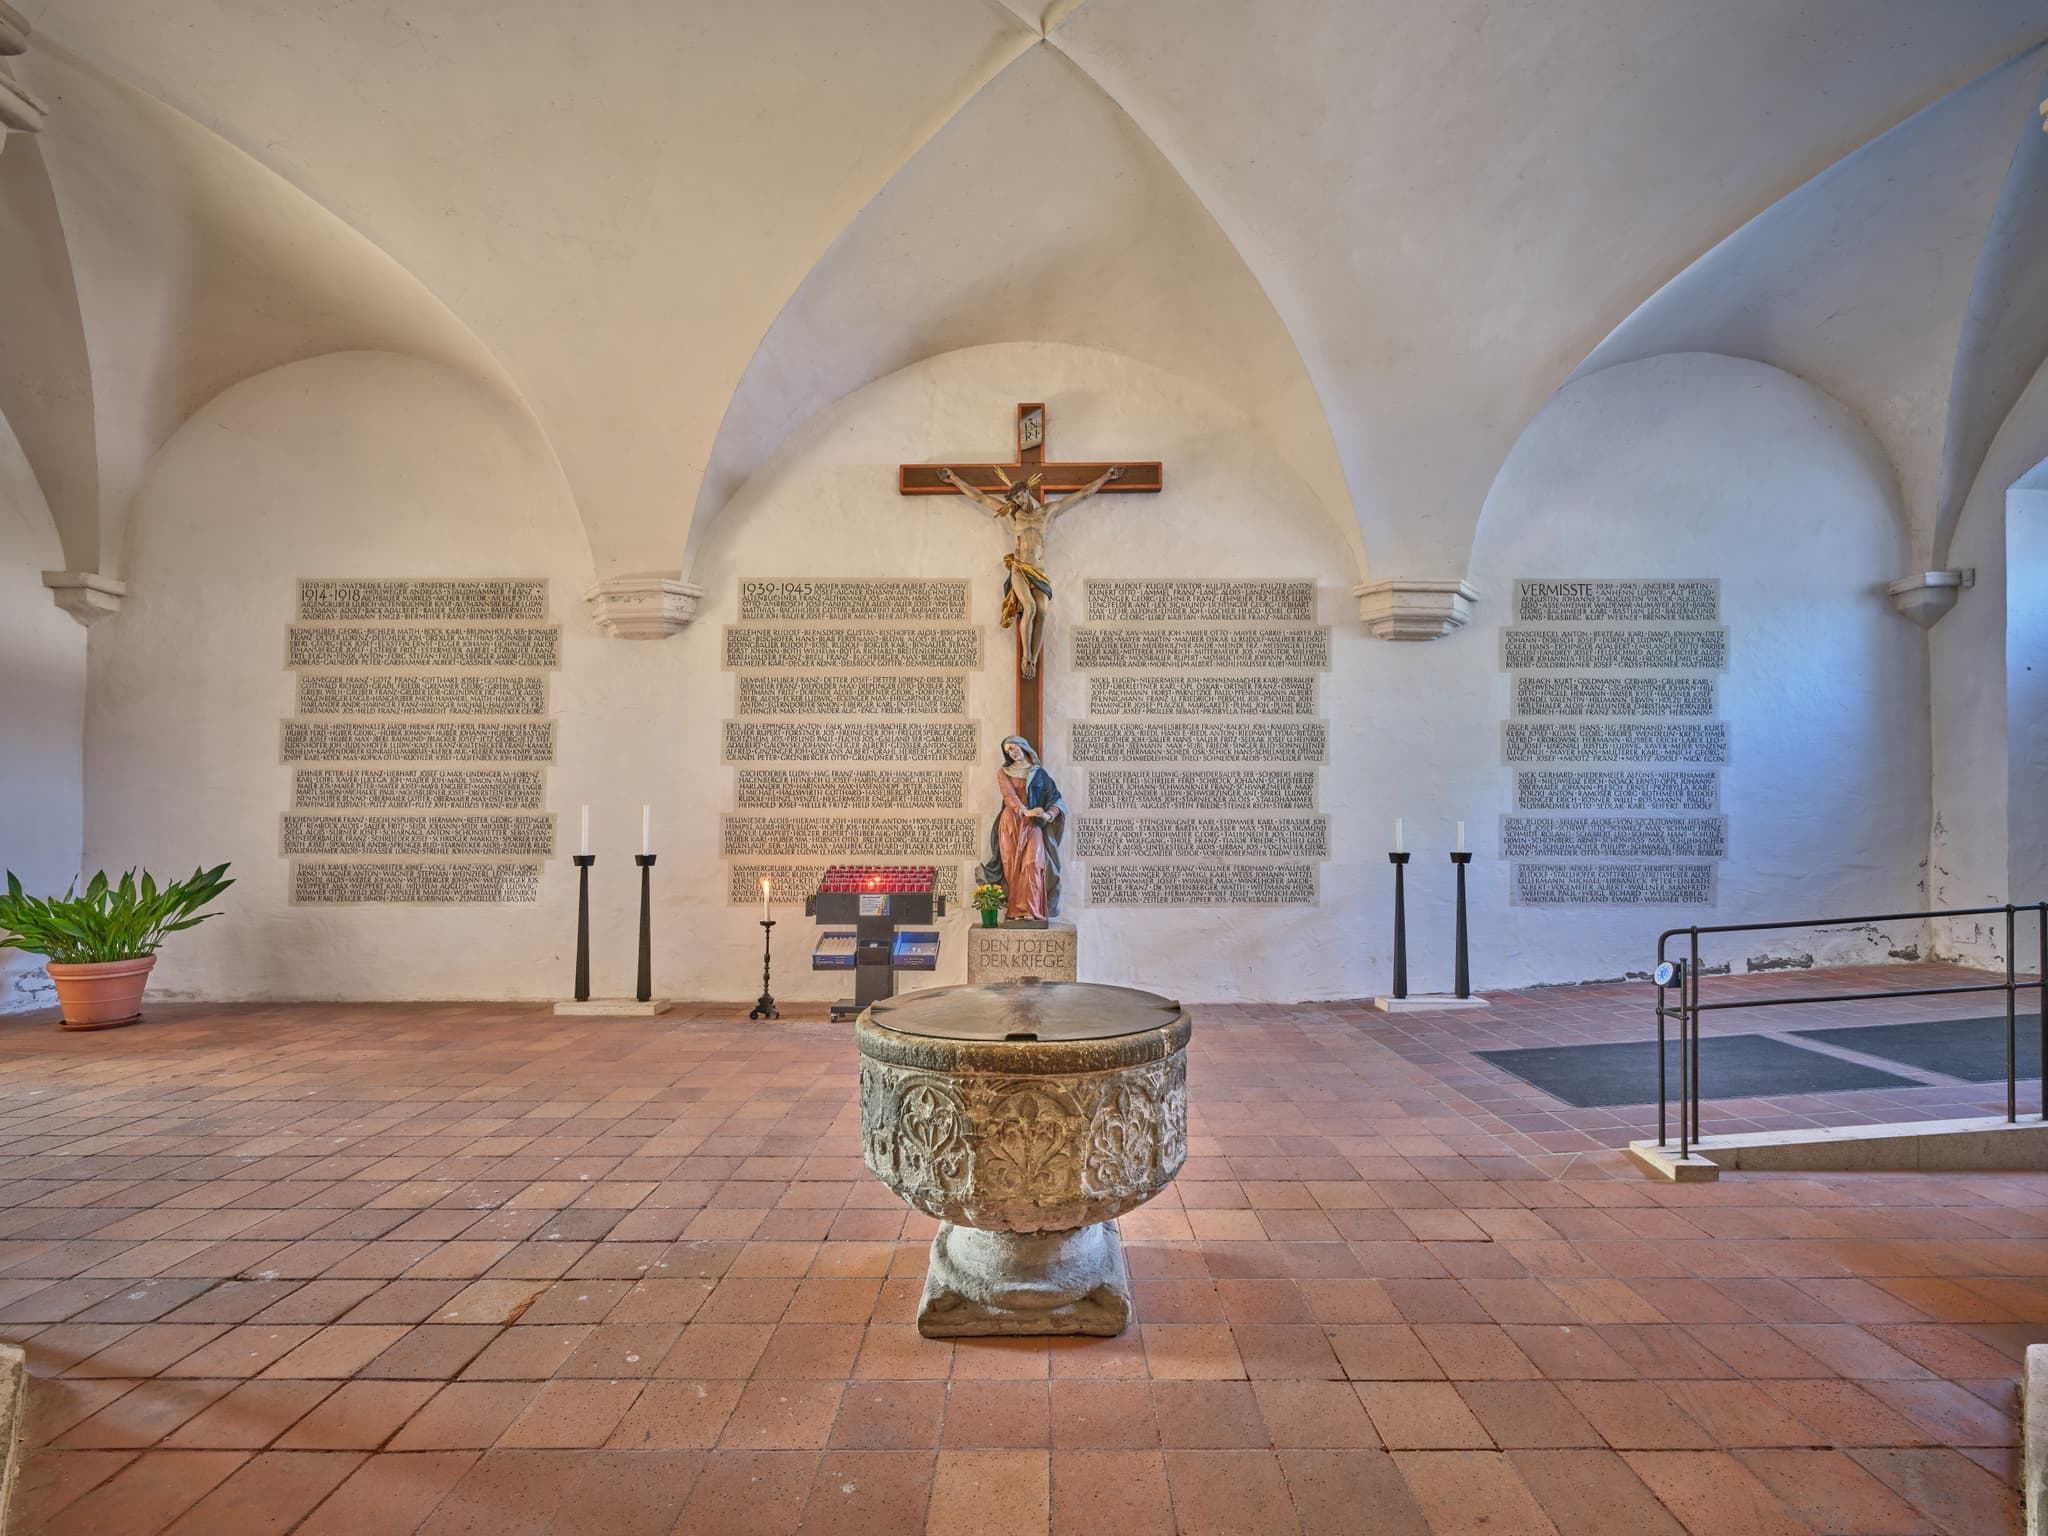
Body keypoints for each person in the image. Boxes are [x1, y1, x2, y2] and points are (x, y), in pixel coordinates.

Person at [979, 734, 1066, 922]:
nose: (1012, 752)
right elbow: (1008, 795)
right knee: (1012, 867)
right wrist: (1024, 811)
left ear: (1023, 746)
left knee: (1033, 864)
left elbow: (1057, 800)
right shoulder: (1004, 772)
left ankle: (1033, 911)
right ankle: (1016, 912)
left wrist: (1047, 815)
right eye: (1008, 750)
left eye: (1014, 747)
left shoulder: (1039, 774)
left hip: (1033, 824)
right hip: (1011, 823)